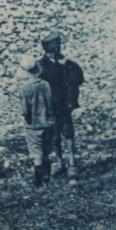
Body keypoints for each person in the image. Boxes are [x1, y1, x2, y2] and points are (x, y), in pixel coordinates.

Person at [37, 31, 85, 180]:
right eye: (56, 47)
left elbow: (77, 78)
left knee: (68, 134)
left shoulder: (67, 64)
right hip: (50, 108)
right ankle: (60, 163)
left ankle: (72, 163)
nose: (58, 50)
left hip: (64, 106)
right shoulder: (42, 66)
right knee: (55, 137)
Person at [17, 53, 56, 187]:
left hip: (33, 126)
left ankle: (38, 182)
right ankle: (47, 176)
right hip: (48, 123)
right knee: (46, 151)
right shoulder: (45, 84)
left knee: (36, 153)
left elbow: (24, 111)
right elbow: (51, 102)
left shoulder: (24, 88)